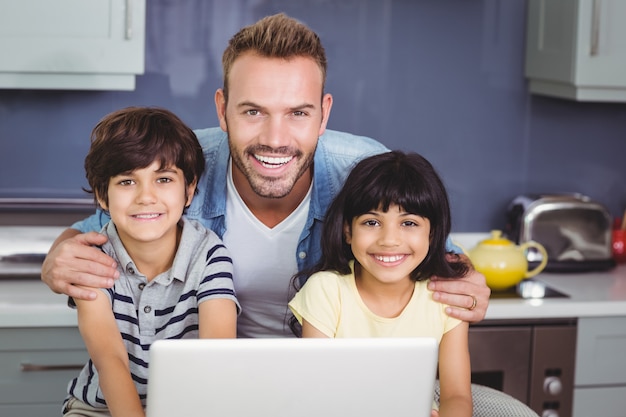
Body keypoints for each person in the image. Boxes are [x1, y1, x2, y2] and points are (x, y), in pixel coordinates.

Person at [42, 13, 490, 338]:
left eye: (298, 113)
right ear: (222, 109)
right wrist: (58, 258)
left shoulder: (365, 172)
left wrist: (469, 283)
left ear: (323, 114)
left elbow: (443, 262)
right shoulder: (176, 169)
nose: (275, 138)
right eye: (253, 111)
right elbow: (87, 235)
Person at [62, 107, 240, 417]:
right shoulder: (93, 261)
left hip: (186, 407)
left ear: (189, 189)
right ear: (103, 196)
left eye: (163, 179)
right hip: (100, 409)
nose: (146, 196)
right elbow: (110, 360)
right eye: (127, 182)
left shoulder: (210, 256)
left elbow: (216, 358)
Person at [288, 151, 472, 417]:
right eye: (372, 222)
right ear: (348, 231)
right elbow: (317, 396)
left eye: (409, 223)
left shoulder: (445, 297)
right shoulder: (326, 291)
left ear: (432, 234)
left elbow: (457, 395)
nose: (389, 240)